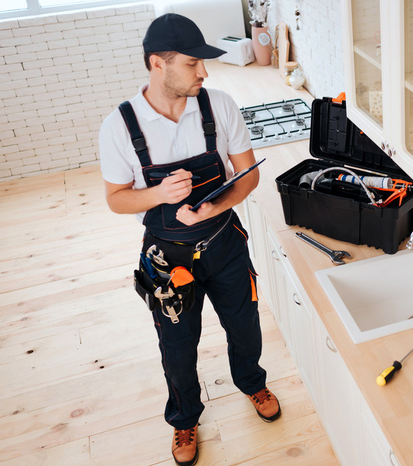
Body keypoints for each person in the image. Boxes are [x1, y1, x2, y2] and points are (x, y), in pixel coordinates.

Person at [98, 13, 280, 466]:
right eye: (192, 63)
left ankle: (252, 383)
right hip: (167, 257)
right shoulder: (120, 127)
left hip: (224, 242)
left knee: (245, 325)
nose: (203, 71)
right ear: (157, 64)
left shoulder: (219, 106)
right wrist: (158, 193)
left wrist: (216, 206)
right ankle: (185, 418)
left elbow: (247, 176)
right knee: (177, 345)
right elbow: (116, 201)